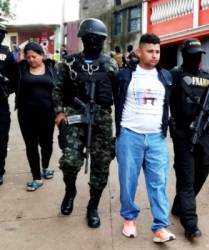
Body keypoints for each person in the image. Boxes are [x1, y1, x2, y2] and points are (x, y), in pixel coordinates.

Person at [52, 18, 117, 228]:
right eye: (90, 38)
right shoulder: (69, 62)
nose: (95, 42)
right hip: (75, 115)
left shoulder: (111, 64)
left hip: (102, 120)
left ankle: (93, 206)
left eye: (99, 38)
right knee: (70, 162)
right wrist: (59, 114)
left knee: (101, 165)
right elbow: (57, 90)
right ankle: (70, 191)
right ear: (82, 39)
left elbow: (121, 93)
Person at [114, 33, 175, 243]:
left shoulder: (166, 76)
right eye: (150, 51)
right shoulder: (124, 75)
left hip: (157, 138)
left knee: (158, 183)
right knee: (128, 182)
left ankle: (160, 227)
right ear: (139, 52)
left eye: (158, 51)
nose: (155, 55)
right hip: (130, 136)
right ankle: (129, 219)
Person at [169, 38, 209, 239]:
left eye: (199, 55)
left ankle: (179, 206)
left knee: (202, 172)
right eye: (193, 55)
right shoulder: (174, 75)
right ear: (184, 55)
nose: (197, 59)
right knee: (186, 178)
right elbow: (163, 99)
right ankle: (190, 224)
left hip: (204, 132)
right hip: (183, 134)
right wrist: (169, 124)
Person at [14, 42, 56, 191]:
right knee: (31, 146)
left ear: (42, 55)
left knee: (47, 144)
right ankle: (37, 177)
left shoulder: (51, 67)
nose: (31, 60)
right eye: (28, 57)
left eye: (34, 56)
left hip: (48, 114)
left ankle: (45, 167)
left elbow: (60, 88)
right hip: (26, 115)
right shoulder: (20, 69)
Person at [0, 23, 16, 185]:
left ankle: (0, 170)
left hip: (1, 103)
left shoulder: (8, 54)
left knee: (1, 138)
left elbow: (14, 77)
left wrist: (6, 89)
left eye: (2, 33)